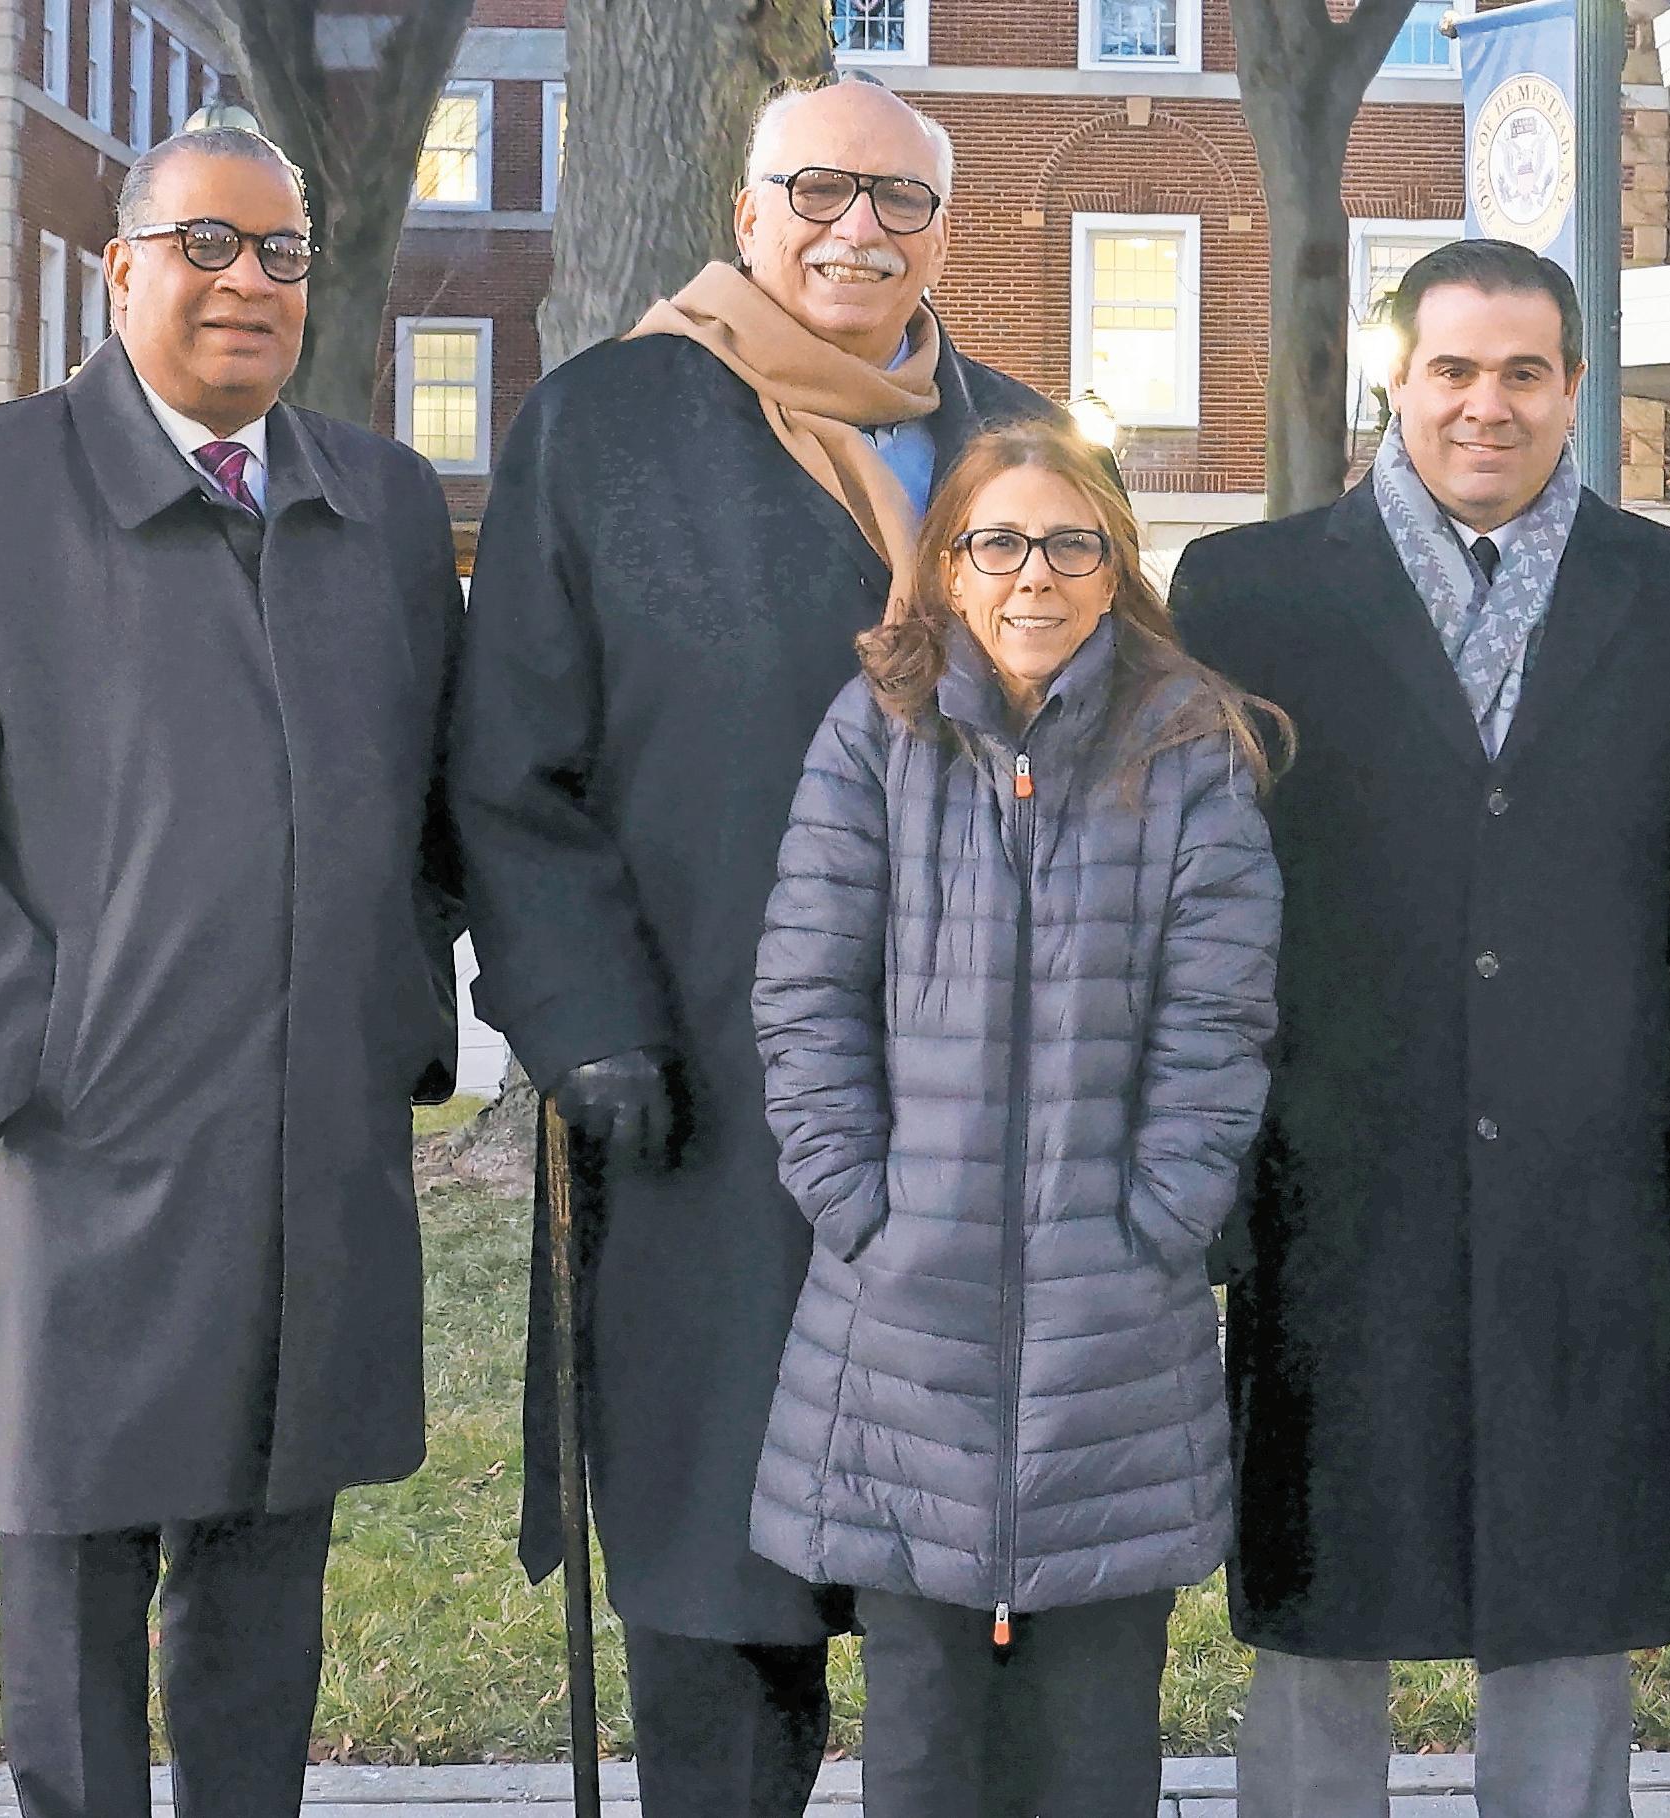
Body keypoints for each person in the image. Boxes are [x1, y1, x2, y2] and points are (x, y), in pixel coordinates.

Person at [449, 77, 1061, 1818]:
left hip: (982, 1110)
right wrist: (582, 1014)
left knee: (963, 1574)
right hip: (706, 1097)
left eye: (899, 199)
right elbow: (512, 768)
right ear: (745, 212)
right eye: (817, 191)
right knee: (724, 1559)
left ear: (942, 231)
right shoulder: (607, 421)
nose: (857, 228)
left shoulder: (1023, 440)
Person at [0, 127, 461, 1818]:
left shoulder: (382, 504)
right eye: (206, 243)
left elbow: (440, 804)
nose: (246, 282)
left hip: (309, 1135)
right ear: (120, 267)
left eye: (282, 253)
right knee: (75, 1560)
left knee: (268, 1562)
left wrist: (393, 1019)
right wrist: (34, 1043)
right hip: (72, 1143)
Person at [1169, 238, 1670, 1818]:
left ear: (1575, 388)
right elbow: (1200, 895)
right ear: (1396, 376)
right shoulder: (1247, 591)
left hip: (1589, 1164)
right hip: (1331, 1163)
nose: (1484, 405)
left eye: (1522, 373)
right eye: (1452, 369)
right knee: (1322, 1568)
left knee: (1569, 1572)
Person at [746, 423, 1281, 1818]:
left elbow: (1219, 1023)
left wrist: (1159, 1216)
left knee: (1095, 1747)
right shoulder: (877, 730)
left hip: (1116, 1329)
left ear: (1113, 567)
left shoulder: (1189, 745)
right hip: (902, 1329)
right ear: (948, 568)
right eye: (998, 543)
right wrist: (861, 1206)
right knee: (922, 1742)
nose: (1032, 574)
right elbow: (805, 991)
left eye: (1068, 544)